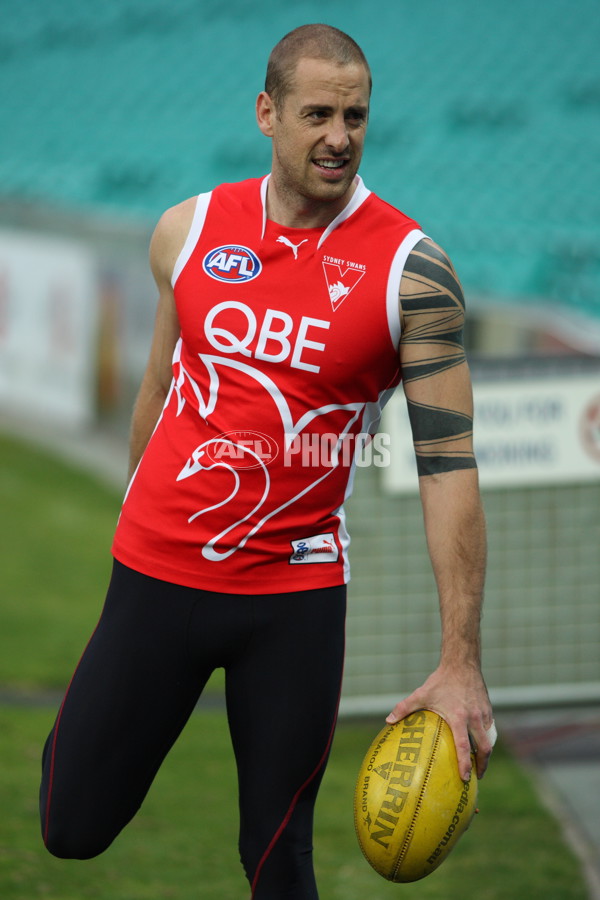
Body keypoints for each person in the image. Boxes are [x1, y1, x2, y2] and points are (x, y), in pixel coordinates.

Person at [40, 23, 494, 899]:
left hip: (294, 603)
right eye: (317, 113)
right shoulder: (187, 228)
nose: (339, 136)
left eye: (355, 116)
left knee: (278, 858)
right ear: (267, 113)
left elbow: (449, 468)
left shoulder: (414, 273)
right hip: (157, 577)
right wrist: (136, 517)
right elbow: (161, 384)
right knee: (69, 825)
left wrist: (460, 659)